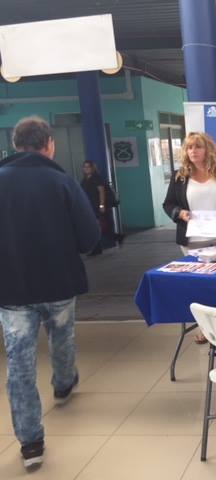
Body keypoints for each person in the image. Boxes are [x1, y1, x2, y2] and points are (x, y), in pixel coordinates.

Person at [0, 116, 100, 470]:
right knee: (62, 335)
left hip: (11, 289)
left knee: (20, 362)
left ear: (16, 145)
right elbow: (90, 239)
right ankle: (62, 384)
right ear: (50, 145)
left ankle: (31, 444)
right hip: (58, 282)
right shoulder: (63, 182)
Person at [163, 131, 216, 343]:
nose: (193, 151)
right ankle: (206, 328)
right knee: (199, 285)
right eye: (189, 147)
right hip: (192, 241)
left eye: (197, 147)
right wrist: (179, 214)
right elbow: (169, 204)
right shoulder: (179, 176)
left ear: (207, 149)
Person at [81, 160, 109, 255]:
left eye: (88, 167)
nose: (86, 168)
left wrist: (101, 205)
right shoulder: (84, 180)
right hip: (88, 206)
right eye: (84, 167)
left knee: (96, 227)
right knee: (93, 227)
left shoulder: (97, 178)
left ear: (92, 168)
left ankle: (97, 248)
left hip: (95, 206)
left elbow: (102, 192)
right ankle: (96, 248)